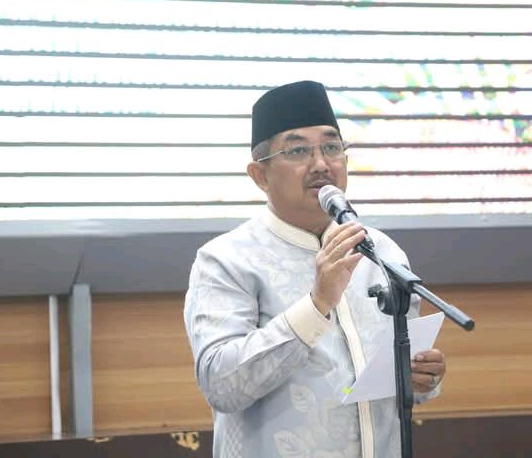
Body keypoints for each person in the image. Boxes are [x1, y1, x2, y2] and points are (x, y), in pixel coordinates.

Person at [184, 80, 446, 458]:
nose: (321, 164)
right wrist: (317, 303)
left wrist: (421, 378)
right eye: (297, 150)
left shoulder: (381, 251)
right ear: (260, 175)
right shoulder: (225, 260)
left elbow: (391, 382)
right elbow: (221, 386)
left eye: (332, 147)